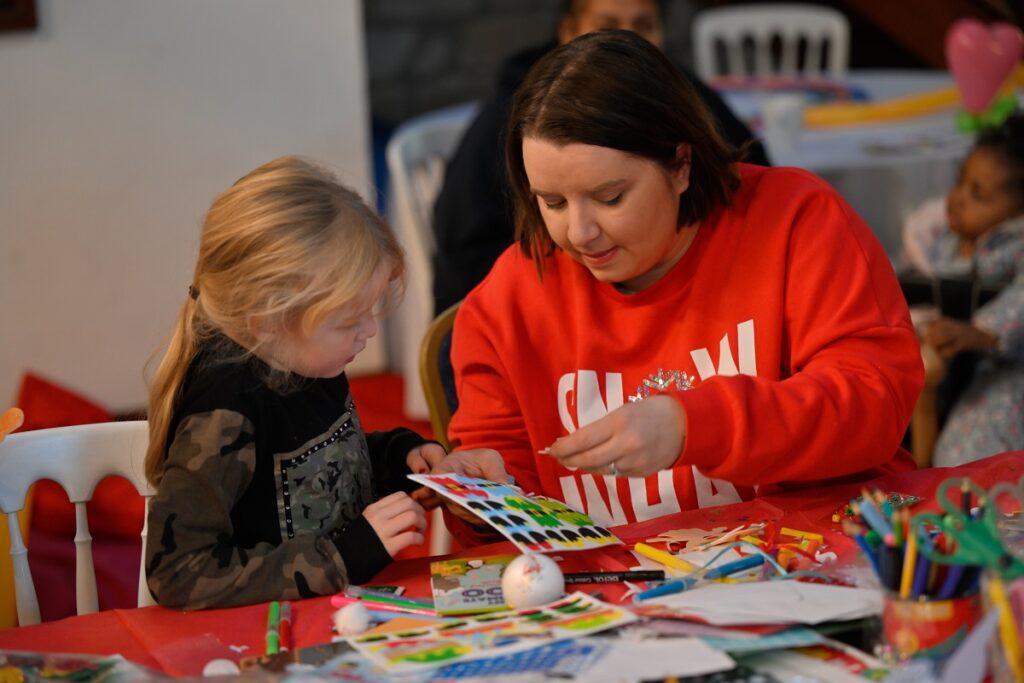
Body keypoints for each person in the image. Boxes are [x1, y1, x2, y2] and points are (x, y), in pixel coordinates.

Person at [433, 30, 922, 546]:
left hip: (831, 556)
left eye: (610, 196)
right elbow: (504, 480)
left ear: (681, 166)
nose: (579, 233)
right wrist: (483, 494)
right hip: (633, 598)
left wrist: (694, 425)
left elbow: (873, 404)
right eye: (552, 203)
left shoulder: (796, 221)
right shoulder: (510, 298)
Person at [142, 156, 503, 609]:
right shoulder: (224, 411)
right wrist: (347, 554)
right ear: (269, 321)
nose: (369, 332)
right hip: (267, 640)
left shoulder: (306, 356)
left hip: (340, 613)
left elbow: (318, 471)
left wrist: (402, 459)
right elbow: (178, 573)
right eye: (350, 320)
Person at [431, 0, 770, 316]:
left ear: (682, 164)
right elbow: (465, 246)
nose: (626, 41)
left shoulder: (683, 95)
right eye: (553, 202)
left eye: (644, 25)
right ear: (568, 31)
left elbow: (750, 179)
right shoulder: (521, 117)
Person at [901, 112, 1024, 467]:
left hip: (1004, 373)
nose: (957, 199)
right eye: (960, 182)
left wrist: (983, 330)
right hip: (944, 360)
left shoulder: (1015, 245)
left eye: (978, 195)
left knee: (971, 452)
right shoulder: (948, 239)